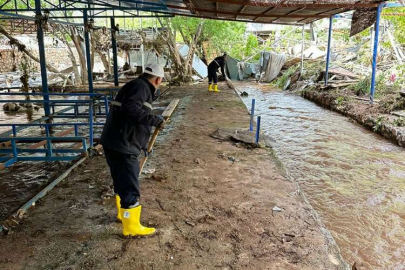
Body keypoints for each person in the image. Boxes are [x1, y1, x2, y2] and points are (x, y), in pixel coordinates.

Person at [100, 63, 165, 237]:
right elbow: (130, 109)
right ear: (158, 79)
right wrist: (154, 120)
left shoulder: (135, 85)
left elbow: (129, 115)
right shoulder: (141, 87)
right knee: (129, 183)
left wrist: (143, 145)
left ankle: (123, 214)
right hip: (123, 145)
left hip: (115, 141)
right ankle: (131, 227)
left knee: (121, 179)